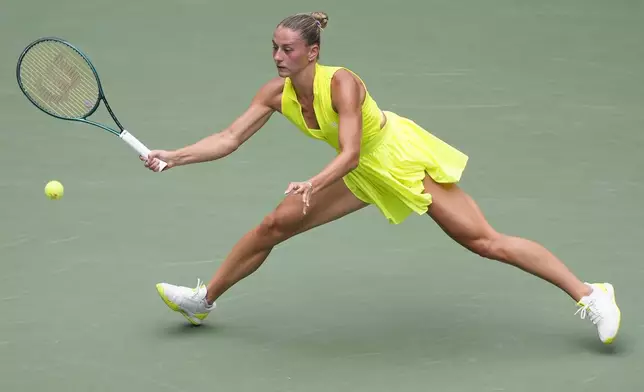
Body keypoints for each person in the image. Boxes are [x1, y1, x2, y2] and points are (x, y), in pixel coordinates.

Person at [143, 11, 621, 345]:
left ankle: (590, 295)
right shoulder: (275, 93)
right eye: (274, 48)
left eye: (287, 49)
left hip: (397, 158)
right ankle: (203, 300)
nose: (277, 57)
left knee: (483, 241)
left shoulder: (343, 83)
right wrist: (175, 156)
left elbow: (351, 152)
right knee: (274, 225)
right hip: (357, 172)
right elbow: (228, 138)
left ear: (313, 52)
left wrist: (313, 181)